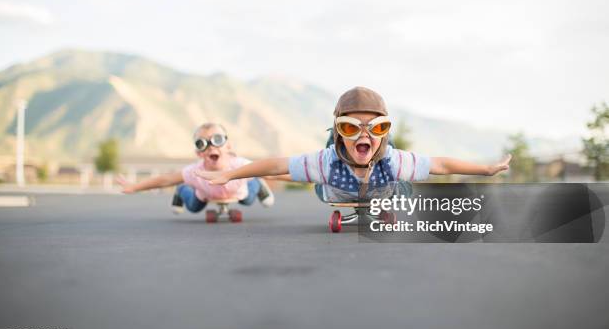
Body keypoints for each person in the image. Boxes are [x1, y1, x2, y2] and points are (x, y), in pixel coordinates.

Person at [194, 87, 511, 202]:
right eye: (349, 127)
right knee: (311, 172)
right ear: (340, 130)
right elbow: (277, 164)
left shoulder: (393, 161)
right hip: (334, 187)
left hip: (383, 186)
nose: (363, 135)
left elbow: (440, 165)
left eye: (376, 128)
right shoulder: (325, 161)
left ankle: (380, 141)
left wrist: (486, 169)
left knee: (404, 181)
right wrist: (229, 175)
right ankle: (334, 138)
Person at [116, 122, 275, 213]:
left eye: (217, 140)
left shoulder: (240, 164)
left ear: (228, 146)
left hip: (238, 192)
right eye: (203, 143)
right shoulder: (195, 172)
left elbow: (272, 171)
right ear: (198, 152)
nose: (211, 147)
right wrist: (135, 186)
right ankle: (181, 190)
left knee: (248, 199)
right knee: (193, 207)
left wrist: (300, 176)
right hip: (205, 194)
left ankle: (258, 184)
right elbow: (166, 179)